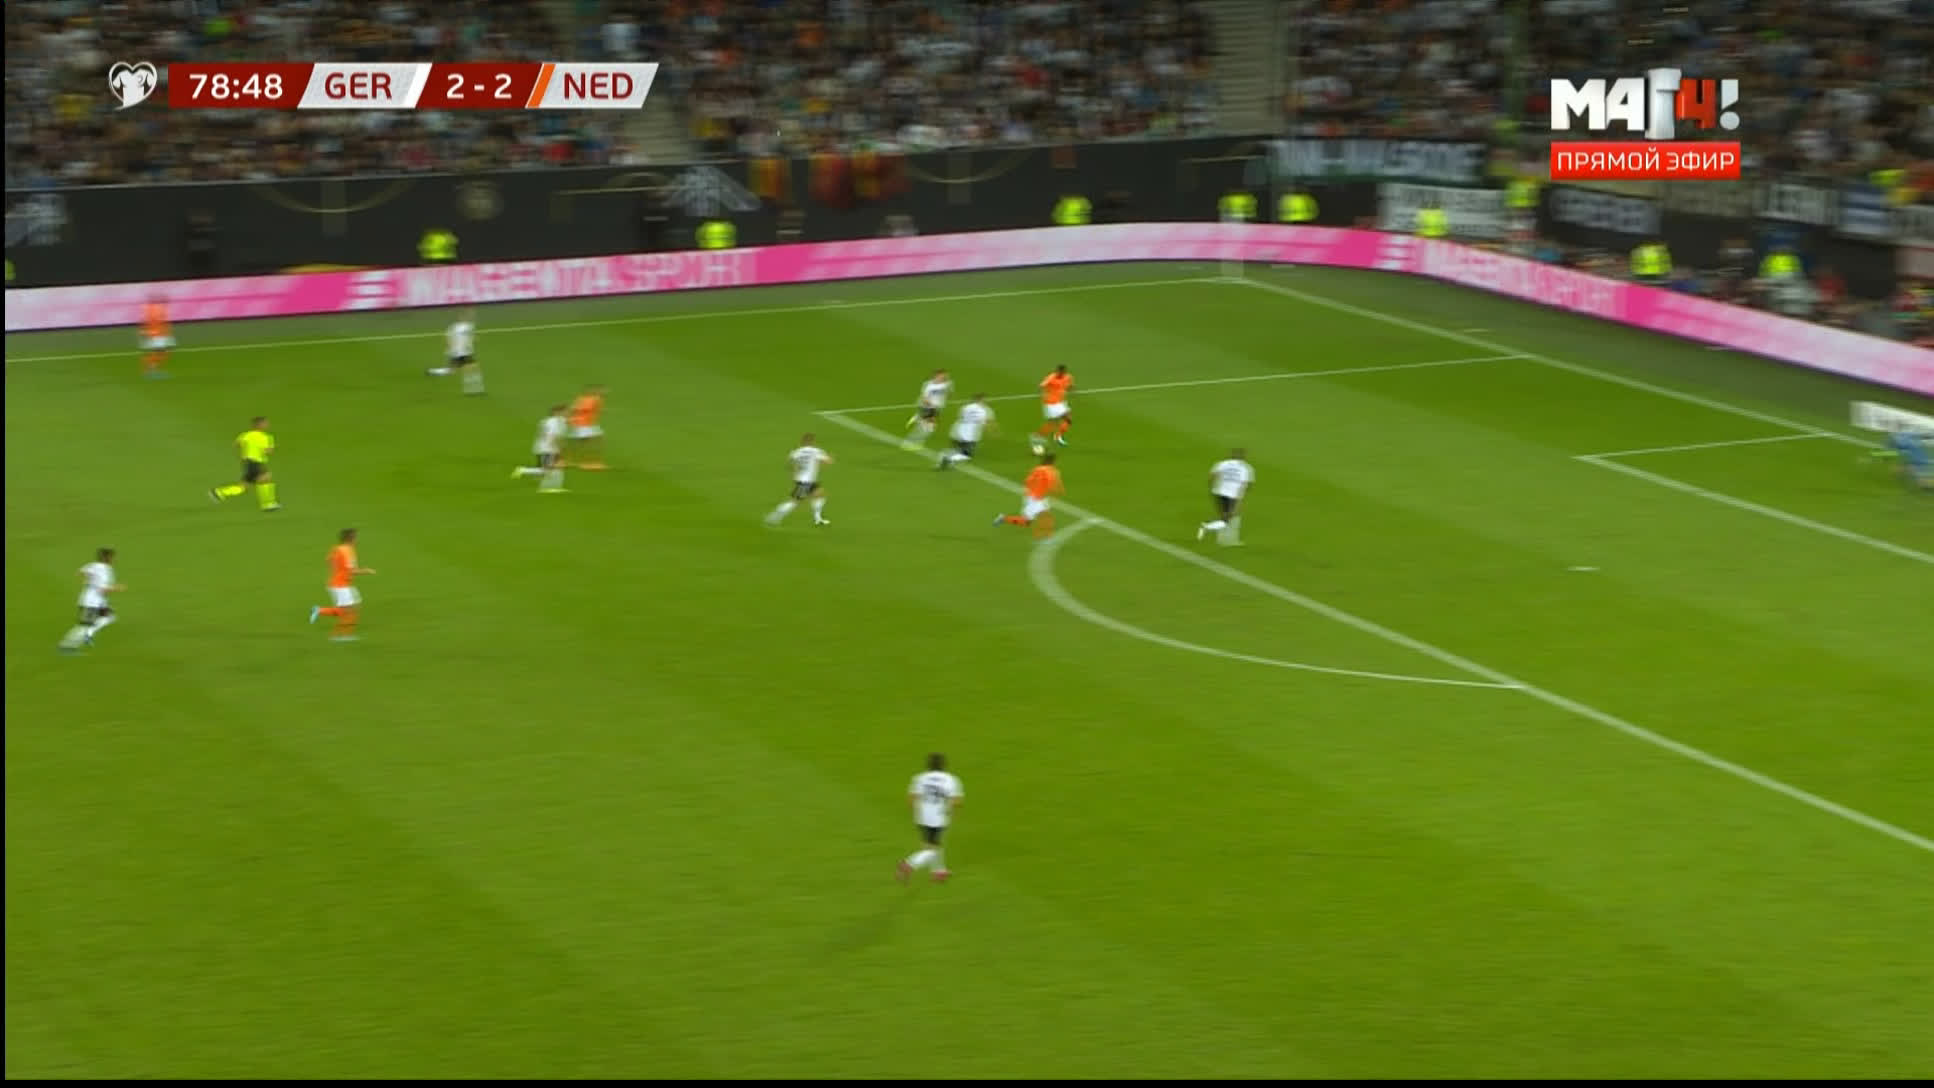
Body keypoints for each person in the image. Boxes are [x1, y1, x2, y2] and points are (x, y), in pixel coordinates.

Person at [898, 752, 963, 884]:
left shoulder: (920, 778)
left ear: (928, 765)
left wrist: (915, 812)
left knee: (930, 844)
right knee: (932, 849)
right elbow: (956, 801)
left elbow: (911, 798)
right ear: (944, 765)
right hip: (938, 817)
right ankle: (909, 864)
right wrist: (953, 812)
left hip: (922, 817)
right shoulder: (950, 779)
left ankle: (938, 871)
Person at [310, 529, 375, 642]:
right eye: (355, 537)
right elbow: (352, 571)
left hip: (341, 583)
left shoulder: (338, 548)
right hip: (340, 586)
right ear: (351, 539)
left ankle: (319, 611)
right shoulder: (347, 551)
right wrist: (366, 571)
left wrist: (338, 571)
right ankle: (340, 636)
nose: (357, 540)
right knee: (349, 611)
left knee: (346, 609)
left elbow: (328, 560)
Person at [57, 547, 123, 653]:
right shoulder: (105, 570)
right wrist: (117, 588)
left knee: (109, 616)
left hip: (92, 601)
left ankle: (89, 633)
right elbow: (103, 590)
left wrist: (88, 581)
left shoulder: (93, 565)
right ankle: (67, 646)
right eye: (112, 557)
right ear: (106, 557)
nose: (114, 559)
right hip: (92, 603)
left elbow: (79, 572)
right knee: (83, 627)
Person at [209, 416, 280, 511]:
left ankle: (219, 492)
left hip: (247, 462)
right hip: (256, 462)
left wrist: (246, 450)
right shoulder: (265, 437)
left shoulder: (245, 435)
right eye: (265, 423)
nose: (267, 425)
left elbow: (236, 444)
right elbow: (269, 451)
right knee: (265, 478)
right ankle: (268, 504)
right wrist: (265, 450)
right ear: (259, 425)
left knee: (243, 487)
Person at [767, 435, 833, 526]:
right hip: (806, 481)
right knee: (795, 502)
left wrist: (796, 472)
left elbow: (789, 465)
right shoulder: (816, 451)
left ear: (802, 442)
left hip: (804, 479)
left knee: (819, 495)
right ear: (812, 442)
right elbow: (828, 461)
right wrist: (829, 457)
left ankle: (818, 519)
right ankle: (774, 516)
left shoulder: (796, 452)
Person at [996, 454, 1064, 539]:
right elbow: (1052, 483)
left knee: (1045, 514)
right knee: (1027, 521)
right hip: (1035, 498)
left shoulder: (1037, 469)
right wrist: (1057, 489)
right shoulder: (1051, 471)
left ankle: (1048, 534)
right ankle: (1003, 518)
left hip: (1032, 496)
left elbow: (1027, 481)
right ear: (1052, 462)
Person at [1197, 448, 1256, 545]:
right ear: (1243, 457)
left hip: (1218, 492)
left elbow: (1212, 476)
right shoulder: (1246, 468)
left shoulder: (1222, 464)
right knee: (1229, 518)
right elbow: (1246, 484)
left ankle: (1222, 539)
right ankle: (1207, 527)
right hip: (1232, 495)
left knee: (1224, 516)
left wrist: (1212, 489)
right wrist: (1241, 497)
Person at [426, 308, 485, 396]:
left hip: (461, 352)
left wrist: (451, 347)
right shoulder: (463, 327)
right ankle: (474, 390)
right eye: (467, 316)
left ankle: (432, 372)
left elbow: (449, 336)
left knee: (453, 370)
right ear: (462, 318)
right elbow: (451, 337)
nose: (469, 317)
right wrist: (453, 347)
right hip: (461, 353)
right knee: (472, 368)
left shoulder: (458, 326)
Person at [512, 404, 570, 493]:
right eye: (565, 411)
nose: (567, 413)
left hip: (545, 447)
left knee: (558, 467)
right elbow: (552, 436)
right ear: (557, 412)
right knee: (547, 470)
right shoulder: (554, 423)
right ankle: (523, 471)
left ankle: (555, 487)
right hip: (548, 449)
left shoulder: (552, 421)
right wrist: (559, 448)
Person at [937, 394, 996, 469]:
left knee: (957, 449)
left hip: (959, 430)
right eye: (984, 400)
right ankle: (948, 458)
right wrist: (991, 431)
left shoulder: (965, 407)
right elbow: (984, 423)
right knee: (966, 455)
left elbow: (961, 417)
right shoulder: (982, 411)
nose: (985, 402)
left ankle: (947, 458)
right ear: (980, 401)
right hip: (969, 435)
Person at [902, 369, 954, 450]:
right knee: (927, 427)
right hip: (927, 407)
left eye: (944, 376)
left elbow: (949, 394)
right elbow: (924, 398)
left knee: (928, 428)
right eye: (940, 376)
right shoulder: (929, 385)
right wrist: (931, 407)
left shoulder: (947, 384)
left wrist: (948, 391)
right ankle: (910, 442)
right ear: (935, 376)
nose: (942, 378)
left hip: (936, 408)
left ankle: (913, 440)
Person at [564, 384, 607, 469]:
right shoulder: (591, 399)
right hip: (584, 424)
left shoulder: (584, 399)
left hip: (585, 424)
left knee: (582, 442)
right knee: (594, 441)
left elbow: (574, 408)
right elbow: (579, 409)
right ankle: (588, 462)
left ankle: (568, 460)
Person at [1033, 365, 1074, 450]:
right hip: (1051, 404)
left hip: (1060, 403)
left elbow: (1068, 386)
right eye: (1059, 372)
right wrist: (1041, 394)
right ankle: (1038, 436)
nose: (1060, 374)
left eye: (1062, 372)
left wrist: (1071, 388)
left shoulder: (1067, 377)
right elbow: (1041, 386)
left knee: (1067, 419)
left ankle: (1056, 436)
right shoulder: (1051, 377)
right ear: (1057, 371)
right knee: (1052, 423)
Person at [140, 295, 172, 378]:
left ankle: (151, 368)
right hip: (157, 335)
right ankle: (151, 369)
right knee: (161, 352)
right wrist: (148, 332)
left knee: (162, 352)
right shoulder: (155, 310)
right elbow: (153, 322)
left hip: (159, 334)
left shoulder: (156, 309)